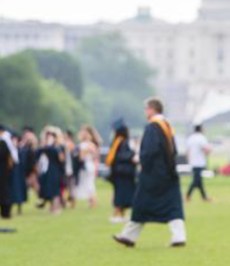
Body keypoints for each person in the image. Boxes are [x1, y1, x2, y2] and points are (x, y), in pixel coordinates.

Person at [113, 97, 186, 248]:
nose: (145, 111)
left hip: (152, 174)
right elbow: (175, 151)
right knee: (173, 205)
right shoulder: (167, 125)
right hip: (168, 173)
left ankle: (128, 236)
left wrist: (140, 161)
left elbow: (149, 151)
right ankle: (179, 236)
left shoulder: (153, 126)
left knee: (141, 204)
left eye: (146, 108)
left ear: (152, 109)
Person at [0, 124, 19, 220]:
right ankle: (4, 212)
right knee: (3, 192)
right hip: (3, 172)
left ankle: (5, 213)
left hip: (2, 173)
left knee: (4, 193)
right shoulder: (3, 142)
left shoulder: (3, 142)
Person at [36, 127, 65, 213]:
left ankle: (56, 207)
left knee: (55, 190)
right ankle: (52, 206)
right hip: (47, 169)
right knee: (49, 189)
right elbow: (37, 154)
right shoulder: (46, 147)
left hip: (55, 170)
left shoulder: (58, 147)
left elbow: (61, 159)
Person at [72, 126, 100, 208]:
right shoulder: (92, 144)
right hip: (91, 165)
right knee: (90, 184)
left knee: (88, 185)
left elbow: (81, 157)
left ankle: (92, 203)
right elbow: (96, 156)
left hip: (86, 166)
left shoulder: (83, 145)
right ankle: (91, 203)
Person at [185, 124, 212, 203]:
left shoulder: (190, 138)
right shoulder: (201, 138)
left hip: (193, 162)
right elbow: (206, 149)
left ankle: (204, 197)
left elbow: (187, 152)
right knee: (196, 181)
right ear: (200, 129)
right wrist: (209, 151)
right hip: (199, 162)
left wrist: (188, 161)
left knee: (198, 181)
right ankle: (187, 195)